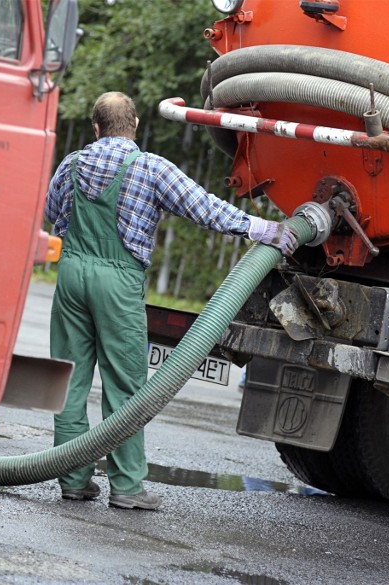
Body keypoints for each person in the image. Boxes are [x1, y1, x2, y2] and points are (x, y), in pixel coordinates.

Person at [45, 91, 297, 511]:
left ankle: (73, 480)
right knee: (125, 387)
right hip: (118, 281)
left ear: (96, 127)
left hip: (71, 274)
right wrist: (262, 229)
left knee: (68, 380)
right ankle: (126, 487)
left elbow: (54, 210)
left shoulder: (73, 163)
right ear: (136, 125)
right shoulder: (150, 168)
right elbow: (206, 210)